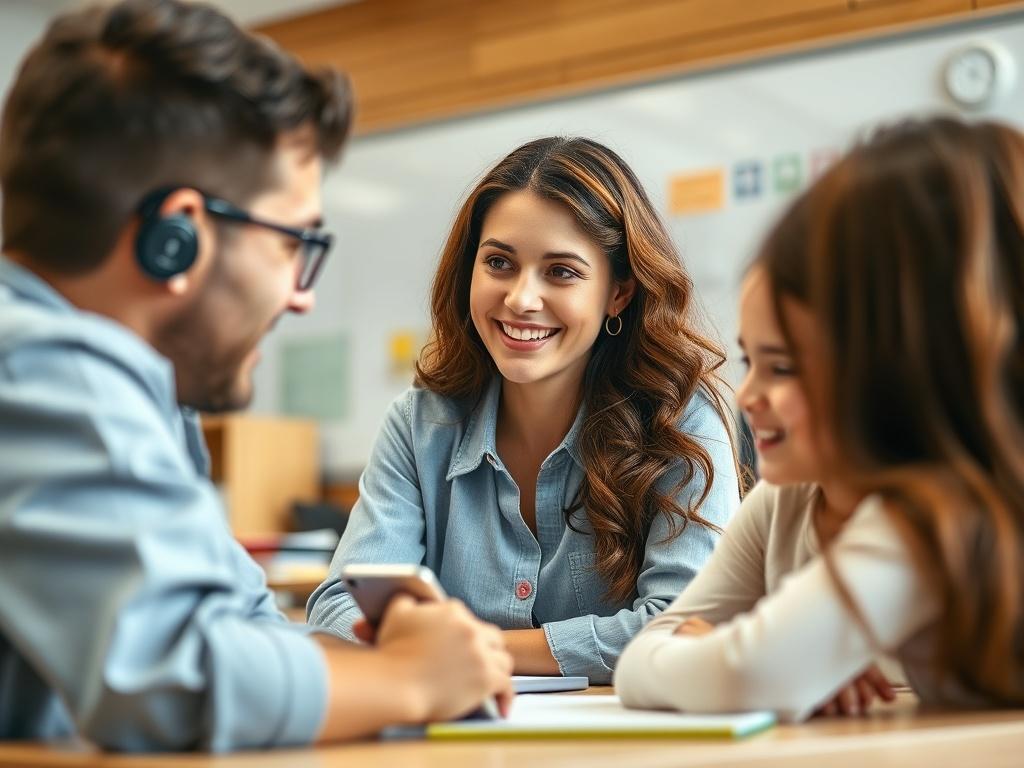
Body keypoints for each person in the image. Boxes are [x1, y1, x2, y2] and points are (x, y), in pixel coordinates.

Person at [0, 0, 512, 752]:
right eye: (292, 242)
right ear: (176, 237)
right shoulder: (39, 367)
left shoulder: (143, 396)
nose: (301, 295)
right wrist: (409, 679)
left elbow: (241, 623)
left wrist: (394, 652)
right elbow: (175, 681)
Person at [615, 116, 1024, 720]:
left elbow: (748, 674)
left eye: (784, 367)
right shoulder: (784, 504)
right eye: (753, 359)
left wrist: (741, 658)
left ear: (894, 371)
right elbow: (638, 663)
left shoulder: (934, 519)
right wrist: (748, 660)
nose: (747, 395)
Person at [308, 137, 741, 684]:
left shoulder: (681, 421)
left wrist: (474, 650)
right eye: (499, 263)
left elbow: (687, 628)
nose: (519, 299)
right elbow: (338, 606)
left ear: (619, 295)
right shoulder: (419, 425)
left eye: (561, 272)